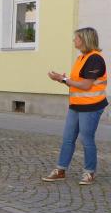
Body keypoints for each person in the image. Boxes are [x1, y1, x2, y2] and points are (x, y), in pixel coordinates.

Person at [42, 27, 107, 185]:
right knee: (68, 138)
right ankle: (61, 170)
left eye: (76, 38)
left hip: (91, 106)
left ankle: (89, 172)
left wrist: (63, 79)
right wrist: (62, 79)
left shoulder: (95, 59)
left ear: (84, 40)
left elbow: (86, 85)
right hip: (76, 105)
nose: (74, 40)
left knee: (86, 139)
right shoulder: (81, 58)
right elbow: (77, 83)